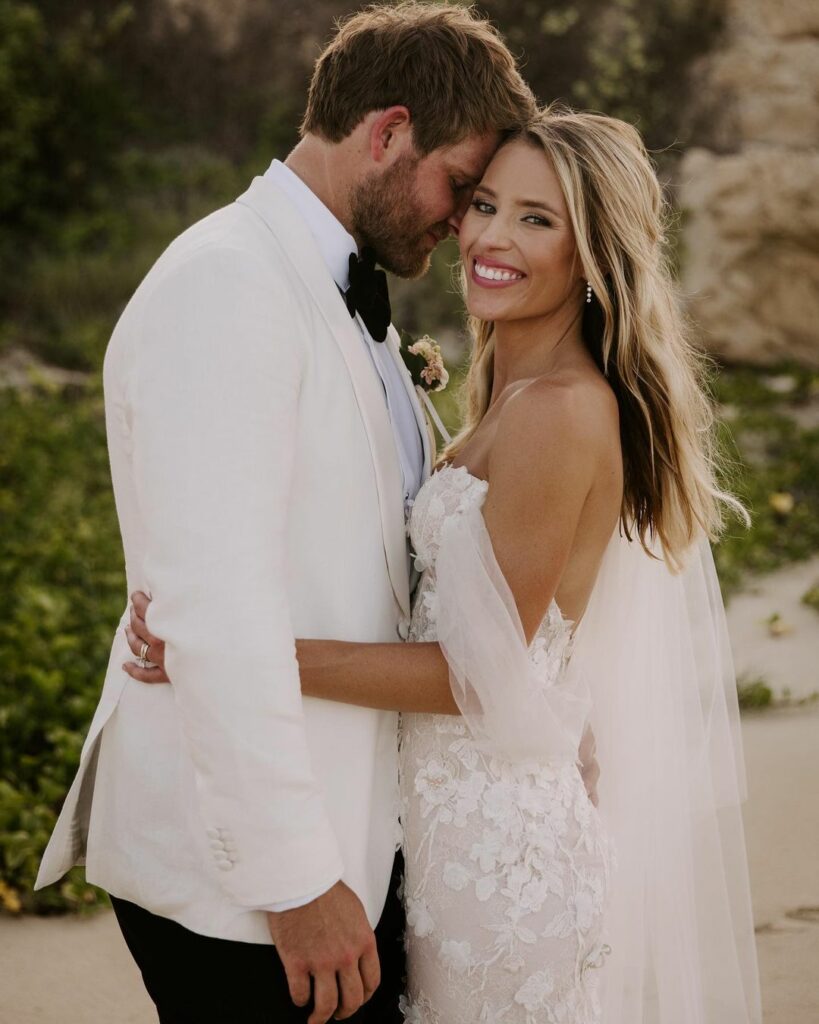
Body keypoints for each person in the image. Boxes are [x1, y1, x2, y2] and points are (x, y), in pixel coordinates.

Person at [129, 106, 764, 1023]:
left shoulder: (559, 412)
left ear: (592, 258)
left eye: (537, 220)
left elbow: (480, 680)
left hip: (493, 861)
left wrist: (239, 652)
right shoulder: (510, 398)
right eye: (483, 203)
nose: (489, 237)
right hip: (432, 836)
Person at [33, 5, 539, 1023]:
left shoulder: (332, 292)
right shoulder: (226, 286)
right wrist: (295, 879)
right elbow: (216, 613)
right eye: (461, 185)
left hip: (355, 839)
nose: (465, 222)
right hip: (251, 886)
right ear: (387, 132)